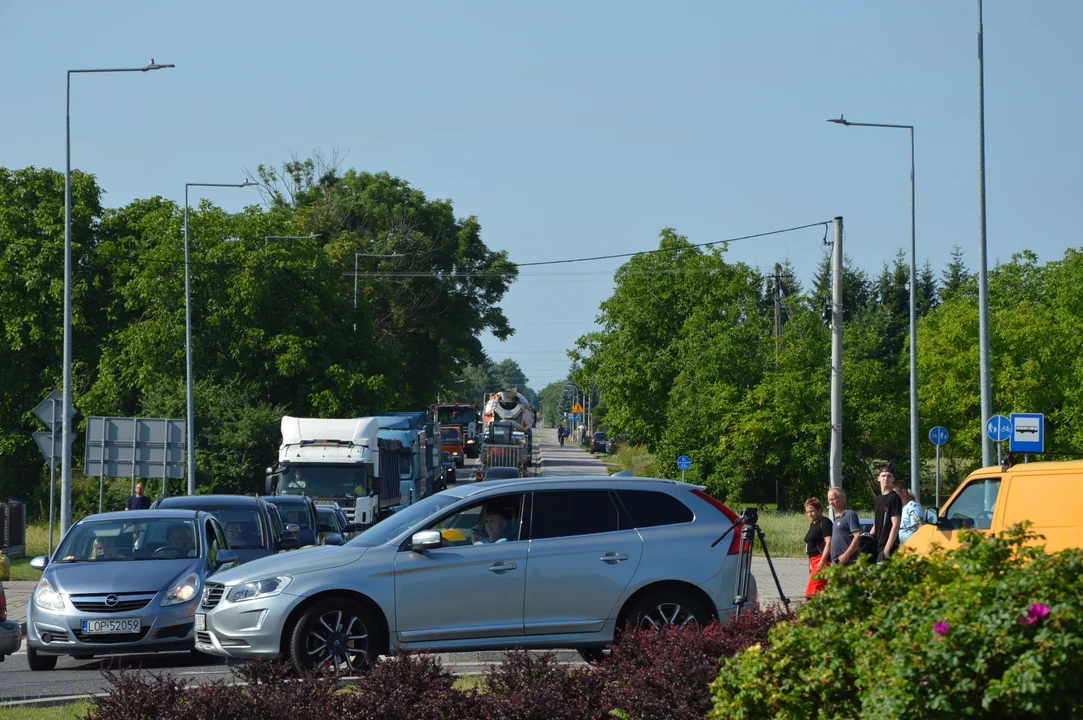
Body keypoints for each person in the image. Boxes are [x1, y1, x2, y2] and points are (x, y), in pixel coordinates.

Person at [871, 465, 902, 562]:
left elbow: (896, 525)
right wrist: (867, 537)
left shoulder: (894, 498)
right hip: (877, 545)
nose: (886, 478)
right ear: (878, 478)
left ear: (893, 479)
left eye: (889, 476)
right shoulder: (878, 499)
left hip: (888, 546)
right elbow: (877, 523)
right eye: (883, 476)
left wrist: (887, 549)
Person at [803, 497, 832, 597]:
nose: (809, 514)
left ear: (819, 510)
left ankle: (812, 611)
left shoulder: (824, 522)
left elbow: (829, 542)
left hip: (821, 560)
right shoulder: (813, 524)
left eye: (812, 511)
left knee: (811, 593)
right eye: (807, 512)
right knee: (818, 592)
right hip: (813, 561)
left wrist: (822, 561)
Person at [828, 487, 862, 565]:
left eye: (833, 499)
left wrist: (846, 554)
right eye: (829, 500)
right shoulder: (837, 517)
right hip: (836, 562)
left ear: (843, 498)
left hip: (847, 562)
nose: (831, 503)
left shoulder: (850, 514)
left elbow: (857, 536)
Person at [895, 480, 923, 544]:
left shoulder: (912, 507)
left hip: (913, 547)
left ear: (904, 492)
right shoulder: (904, 507)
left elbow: (920, 528)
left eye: (895, 494)